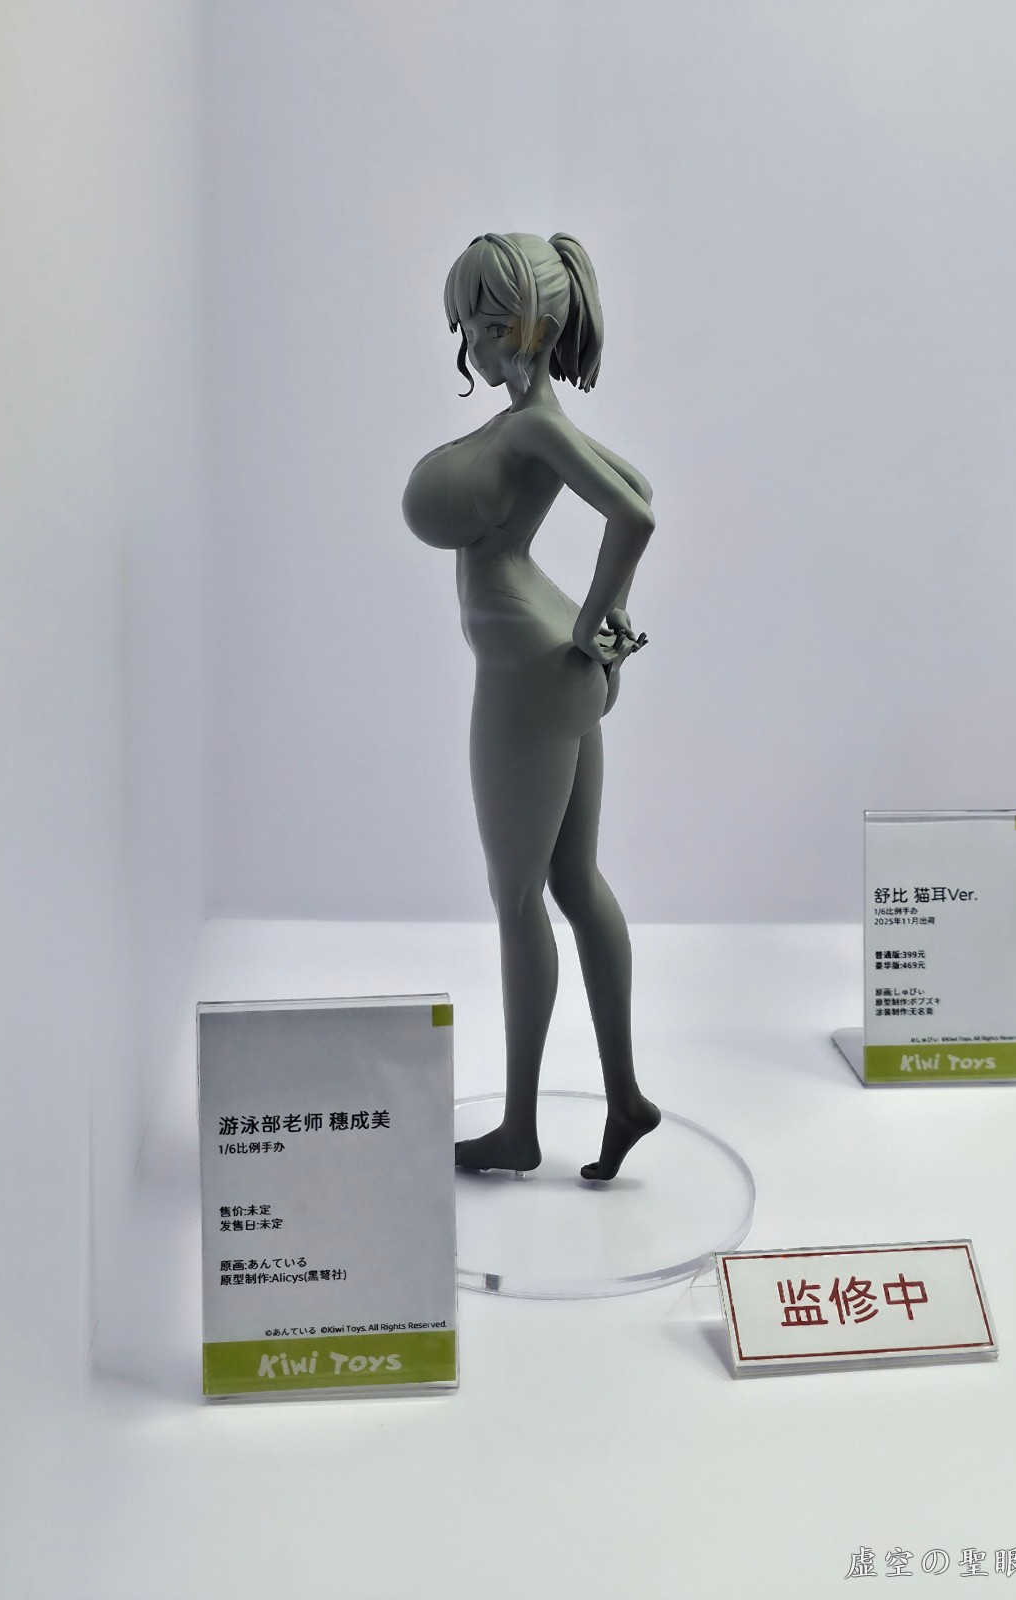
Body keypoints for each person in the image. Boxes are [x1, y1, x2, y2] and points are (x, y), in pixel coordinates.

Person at [403, 232, 661, 1175]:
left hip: (527, 678)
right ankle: (624, 1099)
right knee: (575, 883)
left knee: (519, 898)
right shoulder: (536, 423)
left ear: (523, 329)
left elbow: (635, 512)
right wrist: (603, 617)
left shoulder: (531, 429)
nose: (466, 343)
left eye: (476, 324)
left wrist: (598, 615)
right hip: (552, 666)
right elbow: (637, 486)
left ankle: (520, 1129)